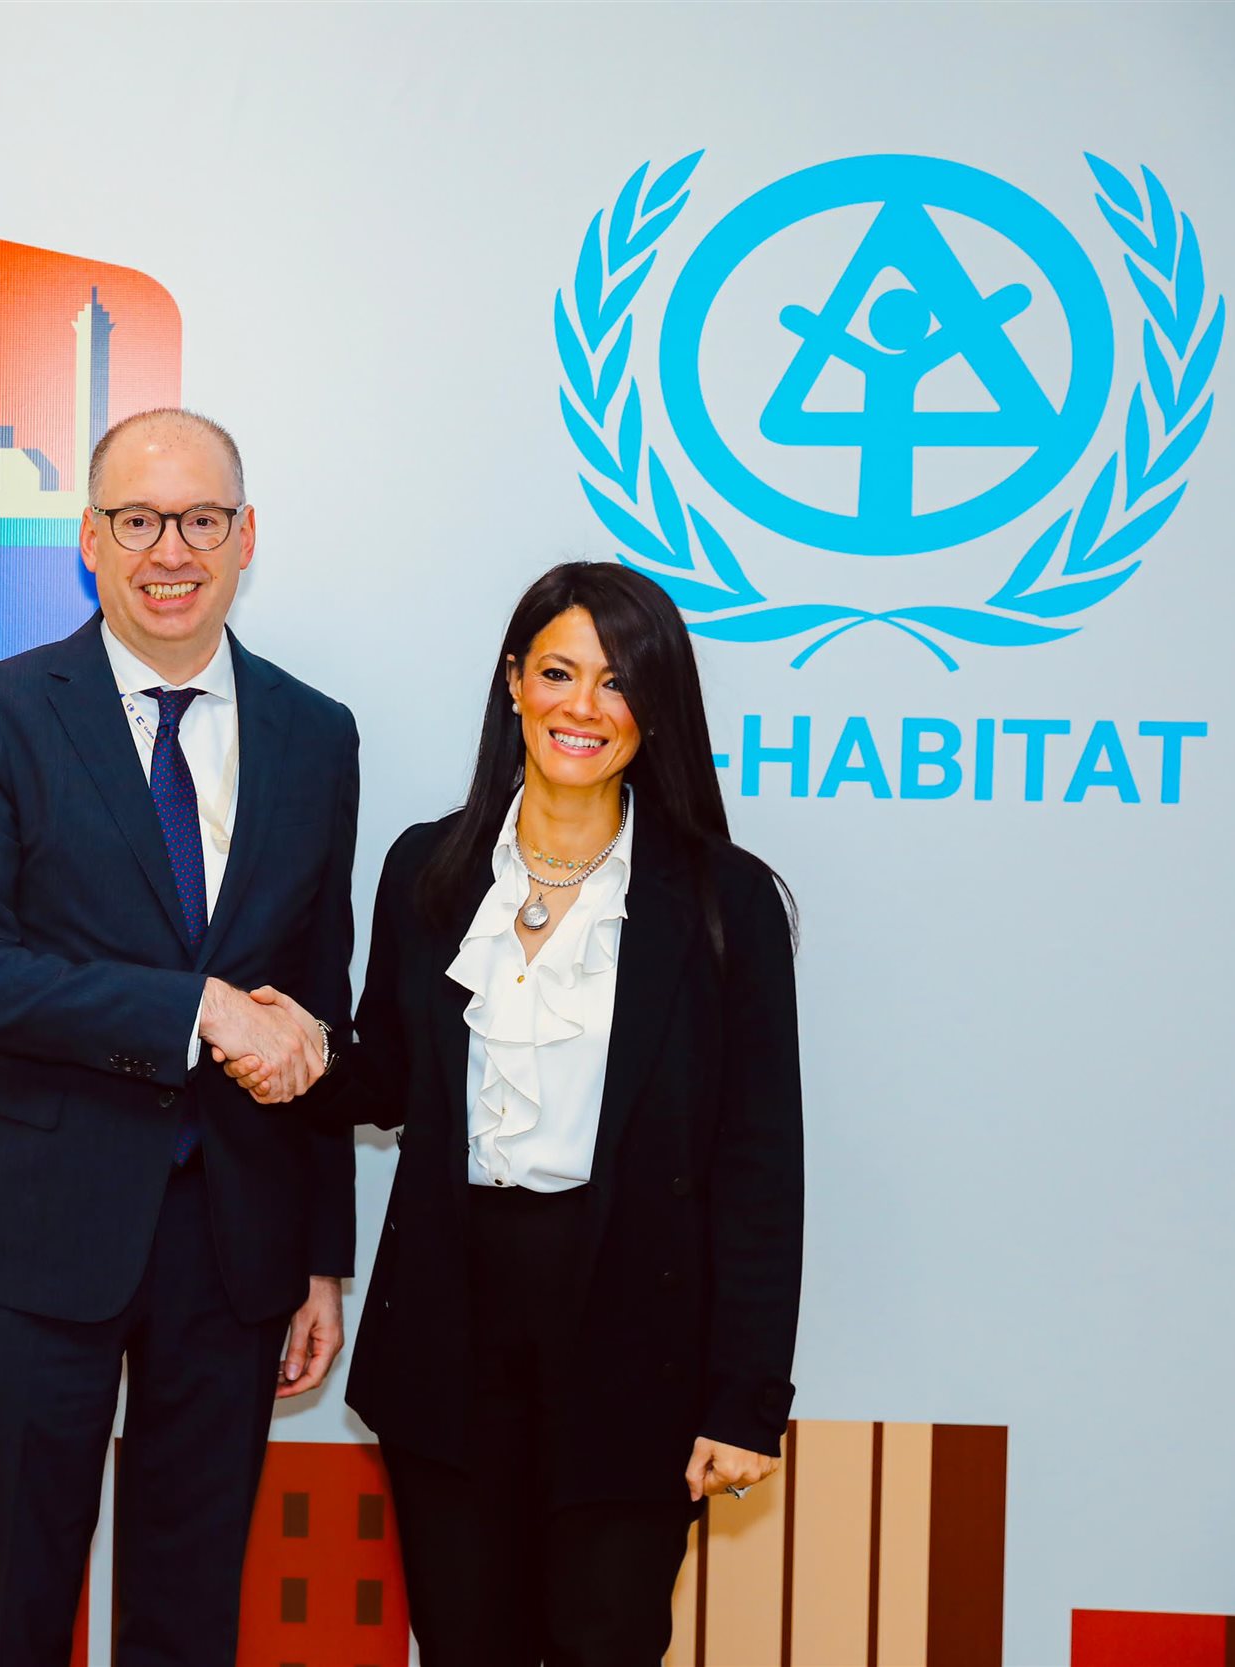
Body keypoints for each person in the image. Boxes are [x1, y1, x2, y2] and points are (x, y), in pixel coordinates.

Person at [227, 562, 802, 1665]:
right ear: (512, 683)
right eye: (558, 672)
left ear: (657, 705)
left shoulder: (724, 901)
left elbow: (761, 1165)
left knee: (604, 1641)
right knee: (463, 1643)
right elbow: (390, 1078)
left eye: (618, 681)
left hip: (636, 1337)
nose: (584, 706)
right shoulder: (428, 869)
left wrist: (744, 1398)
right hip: (449, 1324)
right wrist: (298, 1050)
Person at [0, 408, 361, 1665]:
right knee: (12, 1616)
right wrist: (190, 1008)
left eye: (201, 519)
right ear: (89, 540)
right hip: (30, 1237)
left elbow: (315, 1001)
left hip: (236, 1244)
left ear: (245, 536)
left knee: (188, 1622)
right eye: (140, 519)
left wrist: (320, 1254)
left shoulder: (315, 732)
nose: (173, 549)